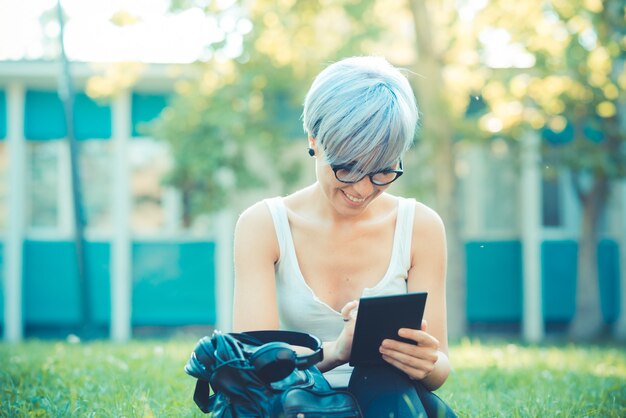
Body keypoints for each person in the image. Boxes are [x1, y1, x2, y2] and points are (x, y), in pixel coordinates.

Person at [233, 56, 456, 417]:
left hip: (391, 402)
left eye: (382, 171)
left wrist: (426, 362)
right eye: (348, 167)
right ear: (314, 141)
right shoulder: (264, 225)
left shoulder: (421, 226)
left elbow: (439, 367)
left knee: (384, 381)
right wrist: (337, 350)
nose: (363, 189)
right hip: (296, 402)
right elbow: (255, 376)